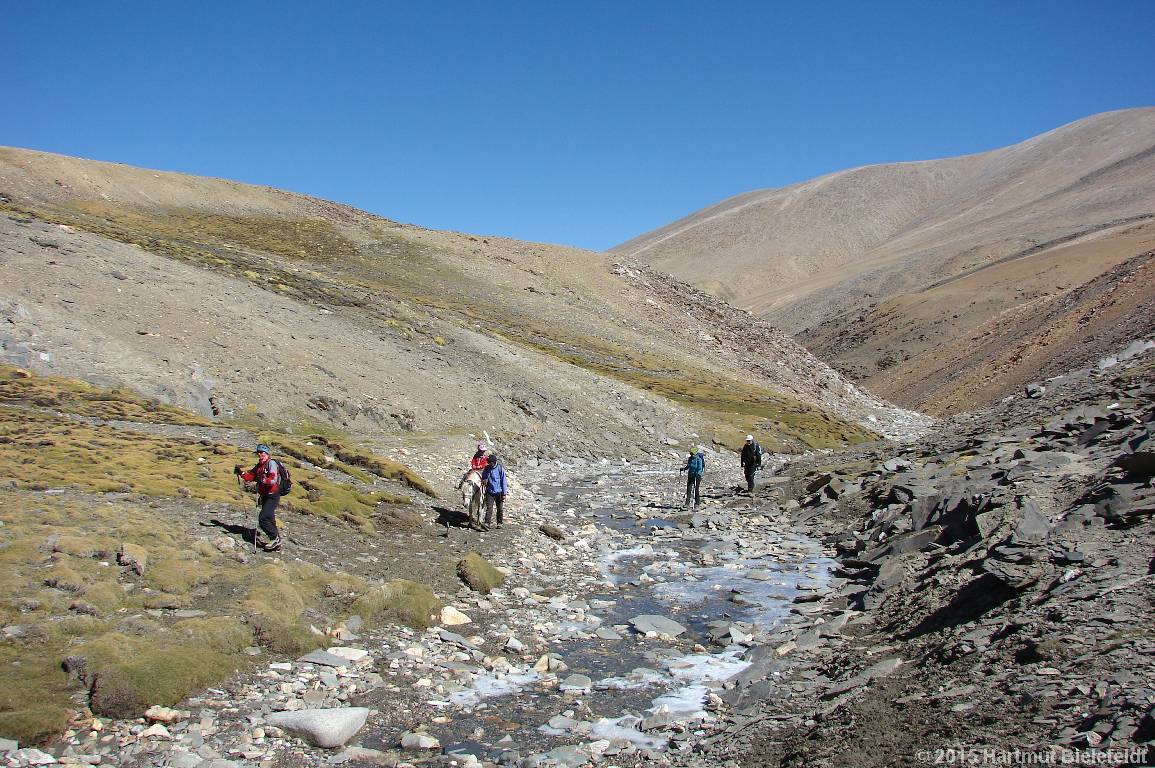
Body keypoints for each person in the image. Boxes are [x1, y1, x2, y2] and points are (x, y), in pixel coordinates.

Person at [235, 443, 283, 551]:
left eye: (261, 452)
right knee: (270, 518)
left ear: (266, 453)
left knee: (263, 518)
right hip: (265, 495)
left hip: (273, 495)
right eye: (258, 453)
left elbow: (273, 480)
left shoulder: (271, 464)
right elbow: (251, 476)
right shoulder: (260, 465)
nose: (259, 455)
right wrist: (241, 473)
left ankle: (275, 538)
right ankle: (276, 542)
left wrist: (263, 480)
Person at [480, 452, 508, 529]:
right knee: (489, 508)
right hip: (490, 491)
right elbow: (484, 477)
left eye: (490, 463)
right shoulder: (487, 468)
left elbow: (503, 481)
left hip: (499, 492)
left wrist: (504, 493)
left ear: (494, 462)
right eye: (488, 463)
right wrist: (484, 480)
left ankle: (499, 523)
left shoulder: (500, 469)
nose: (489, 464)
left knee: (500, 508)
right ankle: (487, 523)